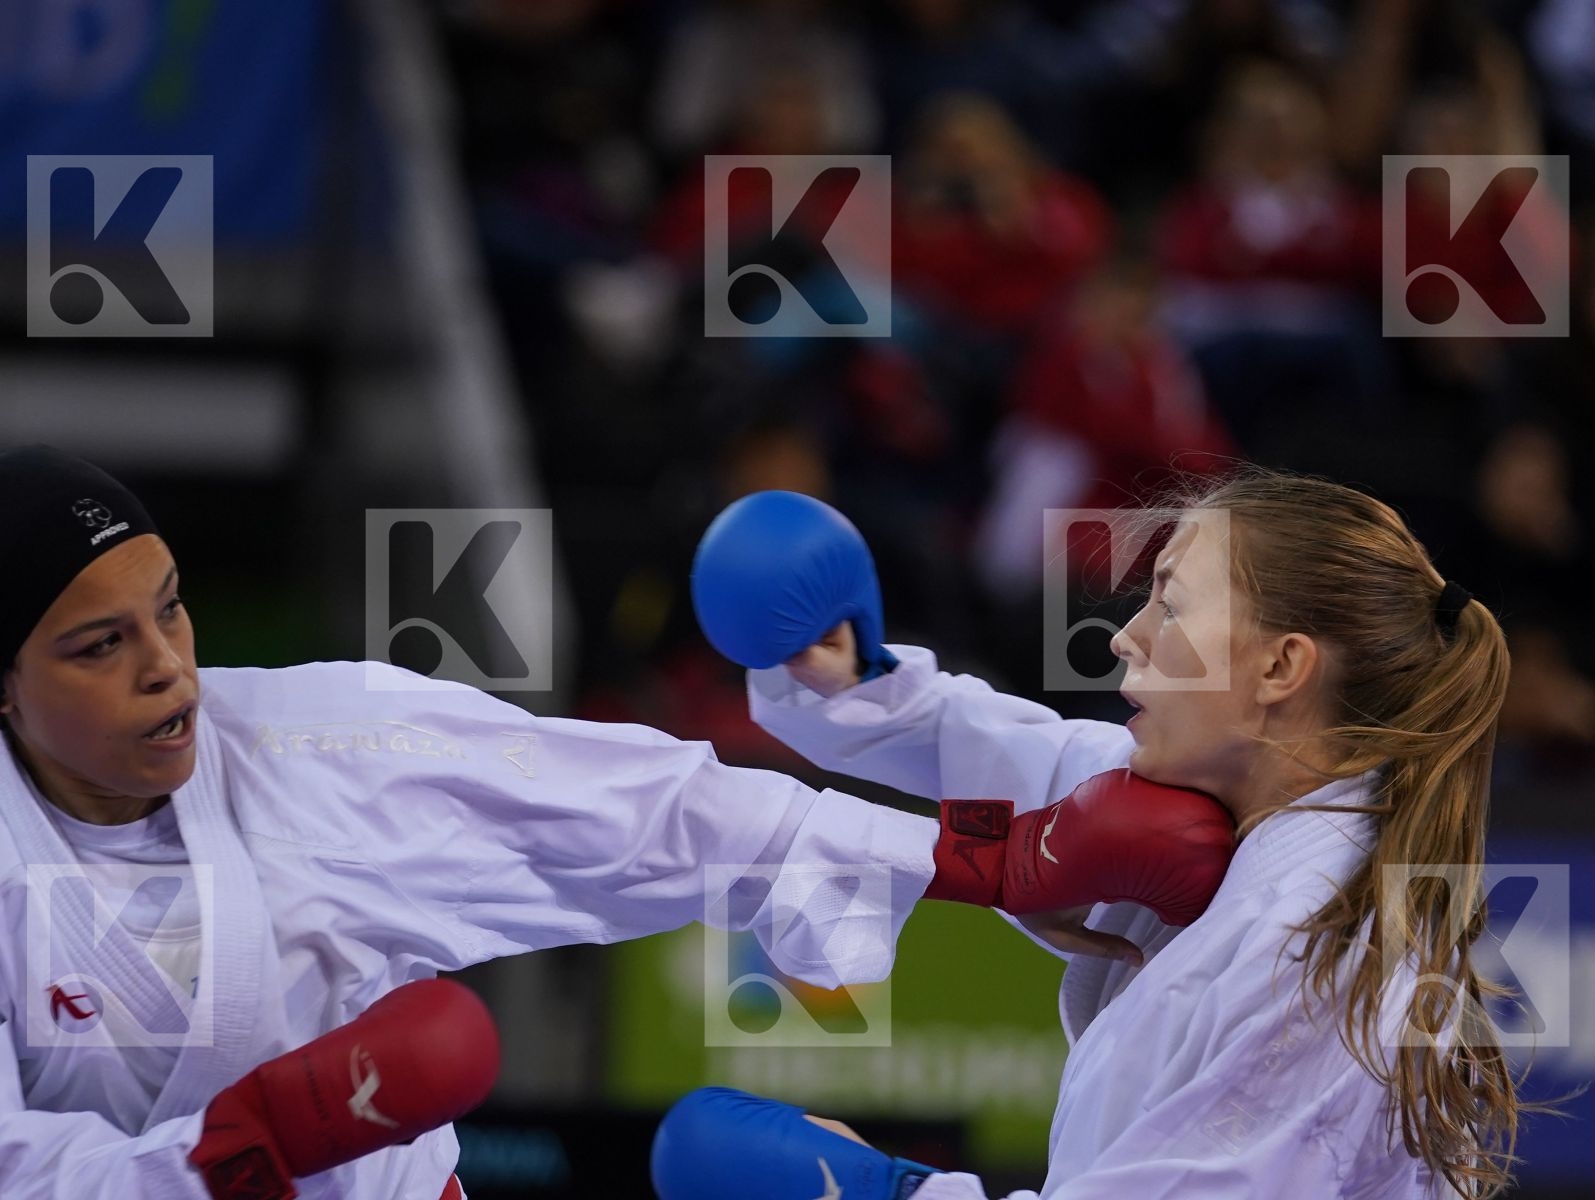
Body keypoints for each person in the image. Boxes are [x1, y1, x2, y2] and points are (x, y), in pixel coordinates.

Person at [0, 445, 1233, 1199]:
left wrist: (993, 861)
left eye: (172, 611)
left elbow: (652, 810)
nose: (168, 668)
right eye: (102, 646)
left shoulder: (308, 744)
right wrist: (236, 1154)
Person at [667, 470, 1538, 1198]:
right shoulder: (1221, 808)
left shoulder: (1313, 954)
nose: (1126, 636)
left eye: (1170, 604)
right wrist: (851, 669)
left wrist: (884, 1189)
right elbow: (986, 742)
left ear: (1281, 667)